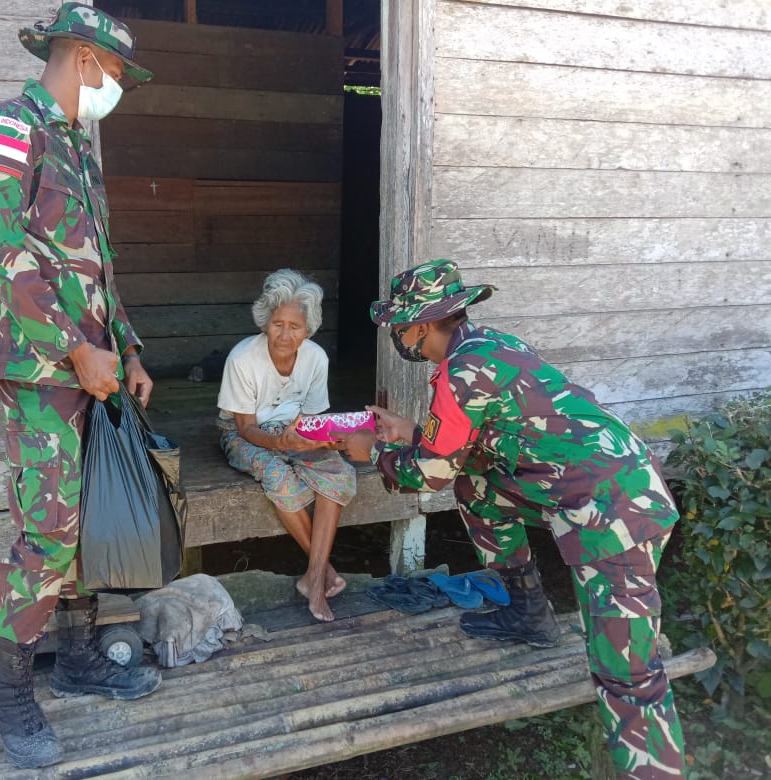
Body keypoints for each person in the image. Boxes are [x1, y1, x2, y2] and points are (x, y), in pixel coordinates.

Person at [338, 259, 685, 779]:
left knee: (626, 672)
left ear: (425, 324)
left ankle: (654, 771)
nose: (395, 335)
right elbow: (465, 452)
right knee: (476, 486)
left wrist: (371, 453)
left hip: (612, 509)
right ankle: (529, 613)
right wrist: (409, 432)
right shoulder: (489, 348)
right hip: (587, 486)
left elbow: (428, 476)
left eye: (399, 325)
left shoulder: (460, 373)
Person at [0, 5, 161, 769]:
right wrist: (76, 348)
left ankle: (78, 655)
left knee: (91, 516)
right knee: (48, 529)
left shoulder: (78, 145)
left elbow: (97, 272)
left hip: (97, 367)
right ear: (83, 59)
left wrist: (128, 350)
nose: (116, 87)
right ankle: (13, 696)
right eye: (115, 73)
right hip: (45, 371)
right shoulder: (13, 127)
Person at [217, 269, 356, 623]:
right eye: (278, 323)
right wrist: (279, 441)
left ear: (308, 329)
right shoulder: (242, 359)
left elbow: (313, 419)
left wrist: (324, 440)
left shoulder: (316, 358)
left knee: (336, 472)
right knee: (278, 475)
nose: (285, 334)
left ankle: (313, 577)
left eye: (295, 327)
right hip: (244, 433)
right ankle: (323, 573)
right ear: (265, 322)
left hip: (295, 430)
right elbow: (244, 426)